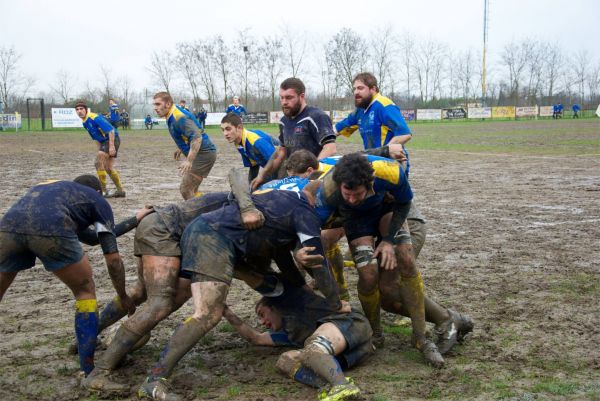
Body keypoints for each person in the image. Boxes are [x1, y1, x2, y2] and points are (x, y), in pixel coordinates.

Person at [135, 183, 346, 400]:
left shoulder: (288, 323)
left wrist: (227, 310)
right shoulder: (278, 289)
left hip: (204, 231)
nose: (263, 320)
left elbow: (256, 336)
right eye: (261, 314)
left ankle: (151, 378)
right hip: (207, 234)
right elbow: (262, 275)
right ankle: (153, 380)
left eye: (260, 314)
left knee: (206, 313)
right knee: (206, 314)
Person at [0, 175, 141, 375]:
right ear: (99, 191)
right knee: (85, 291)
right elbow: (113, 260)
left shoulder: (60, 192)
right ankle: (88, 369)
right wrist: (123, 295)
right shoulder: (97, 200)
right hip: (50, 227)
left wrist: (134, 220)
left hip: (8, 226)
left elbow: (92, 239)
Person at [223, 279, 372, 401]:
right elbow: (256, 338)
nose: (262, 322)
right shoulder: (287, 332)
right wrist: (226, 311)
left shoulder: (293, 303)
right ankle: (326, 386)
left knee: (312, 349)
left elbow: (291, 277)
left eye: (262, 314)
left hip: (349, 323)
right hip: (346, 353)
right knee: (285, 360)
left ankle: (343, 386)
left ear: (275, 306)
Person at [251, 77, 337, 190]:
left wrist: (313, 175)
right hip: (293, 177)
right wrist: (262, 175)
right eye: (281, 98)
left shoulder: (316, 116)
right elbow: (280, 152)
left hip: (313, 180)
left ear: (301, 96)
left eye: (289, 98)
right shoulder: (283, 121)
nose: (284, 102)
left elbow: (330, 148)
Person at [153, 91, 217, 200]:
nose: (155, 108)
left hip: (203, 155)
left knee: (186, 189)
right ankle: (206, 209)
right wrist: (180, 147)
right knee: (192, 190)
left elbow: (197, 137)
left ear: (168, 104)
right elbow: (187, 134)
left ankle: (201, 213)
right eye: (154, 104)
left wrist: (189, 161)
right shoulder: (171, 114)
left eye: (158, 104)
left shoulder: (179, 117)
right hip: (201, 153)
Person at [75, 101, 126, 198]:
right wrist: (100, 150)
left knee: (98, 163)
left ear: (86, 110)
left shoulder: (94, 117)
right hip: (104, 142)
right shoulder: (84, 122)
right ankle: (120, 191)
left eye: (81, 109)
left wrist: (111, 146)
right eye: (77, 110)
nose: (79, 111)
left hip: (112, 139)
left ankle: (104, 191)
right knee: (108, 167)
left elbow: (111, 130)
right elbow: (95, 138)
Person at [221, 112, 280, 181]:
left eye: (228, 129)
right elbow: (253, 165)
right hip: (273, 168)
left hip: (285, 165)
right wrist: (251, 184)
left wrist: (262, 178)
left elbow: (277, 161)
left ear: (239, 127)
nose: (225, 133)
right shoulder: (238, 142)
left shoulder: (255, 141)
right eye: (223, 130)